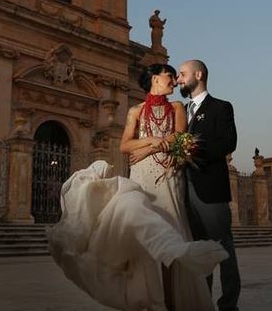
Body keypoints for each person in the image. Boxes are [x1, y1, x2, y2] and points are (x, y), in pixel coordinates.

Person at [49, 63, 225, 310]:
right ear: (154, 78)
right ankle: (155, 300)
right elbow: (124, 145)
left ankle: (175, 300)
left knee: (172, 231)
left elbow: (179, 136)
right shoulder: (135, 111)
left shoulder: (177, 107)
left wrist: (147, 148)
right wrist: (153, 141)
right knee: (146, 238)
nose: (174, 81)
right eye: (169, 76)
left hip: (167, 176)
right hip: (141, 177)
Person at [176, 60, 241, 311]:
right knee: (199, 249)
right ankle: (203, 302)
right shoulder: (181, 109)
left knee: (223, 249)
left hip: (210, 189)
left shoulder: (221, 107)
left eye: (183, 74)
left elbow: (228, 143)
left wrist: (193, 151)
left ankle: (228, 304)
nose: (179, 80)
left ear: (199, 75)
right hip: (184, 190)